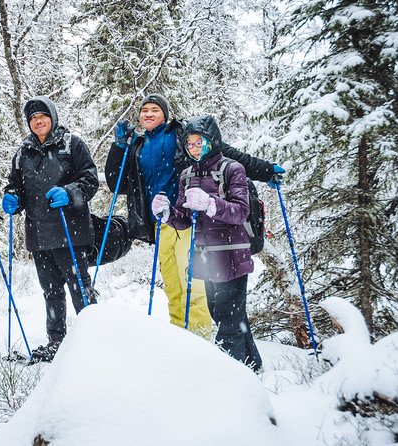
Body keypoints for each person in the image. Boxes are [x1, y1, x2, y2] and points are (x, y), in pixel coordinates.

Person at [105, 94, 284, 336]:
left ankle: (200, 342)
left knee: (194, 286)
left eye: (155, 109)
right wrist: (119, 148)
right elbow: (117, 184)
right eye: (144, 110)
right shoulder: (137, 147)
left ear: (165, 115)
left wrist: (264, 171)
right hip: (162, 222)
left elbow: (225, 153)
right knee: (173, 286)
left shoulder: (180, 136)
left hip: (190, 219)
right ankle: (180, 338)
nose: (148, 113)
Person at [153, 115, 263, 371]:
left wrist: (211, 204)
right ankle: (253, 366)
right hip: (204, 257)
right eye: (189, 143)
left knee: (229, 323)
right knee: (222, 315)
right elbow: (184, 220)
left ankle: (232, 378)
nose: (194, 148)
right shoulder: (187, 175)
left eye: (199, 142)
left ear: (211, 141)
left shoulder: (232, 169)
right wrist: (168, 213)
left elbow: (240, 211)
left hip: (231, 254)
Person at [3, 96, 99, 362]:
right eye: (33, 118)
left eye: (42, 116)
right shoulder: (23, 152)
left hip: (71, 231)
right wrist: (13, 197)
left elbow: (90, 179)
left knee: (79, 287)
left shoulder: (72, 145)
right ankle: (56, 342)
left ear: (53, 117)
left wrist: (70, 192)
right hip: (38, 234)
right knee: (51, 291)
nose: (38, 121)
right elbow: (15, 184)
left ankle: (94, 340)